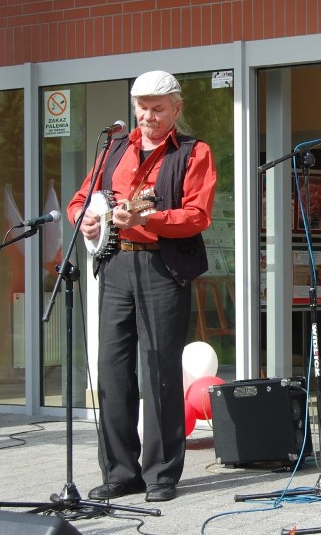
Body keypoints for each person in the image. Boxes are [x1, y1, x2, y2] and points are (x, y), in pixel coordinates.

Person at [67, 70, 217, 503]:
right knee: (112, 372)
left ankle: (161, 474)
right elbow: (80, 200)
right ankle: (119, 472)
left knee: (159, 373)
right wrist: (85, 219)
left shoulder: (194, 152)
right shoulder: (114, 148)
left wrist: (147, 219)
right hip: (114, 266)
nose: (148, 116)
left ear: (176, 109)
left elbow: (197, 215)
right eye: (142, 108)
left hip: (162, 268)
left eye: (157, 108)